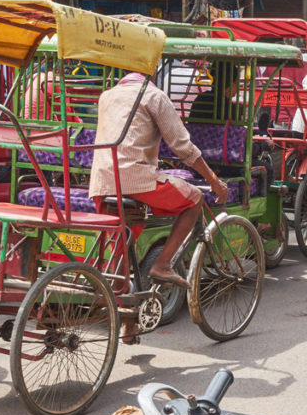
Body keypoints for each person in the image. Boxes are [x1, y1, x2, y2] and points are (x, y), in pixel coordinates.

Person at [89, 71, 228, 292]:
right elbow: (183, 147)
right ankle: (162, 264)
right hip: (135, 180)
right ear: (151, 70)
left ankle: (121, 306)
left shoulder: (107, 95)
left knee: (120, 249)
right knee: (195, 198)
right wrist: (213, 180)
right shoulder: (154, 96)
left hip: (102, 181)